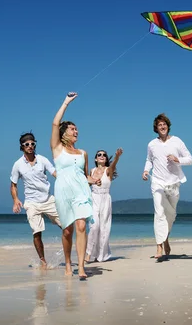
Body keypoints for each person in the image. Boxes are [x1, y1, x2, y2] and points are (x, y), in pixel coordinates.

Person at [50, 91, 100, 280]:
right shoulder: (57, 148)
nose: (76, 131)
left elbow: (85, 176)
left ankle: (80, 267)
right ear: (64, 133)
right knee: (67, 230)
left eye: (76, 129)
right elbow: (55, 123)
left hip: (81, 192)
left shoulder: (83, 152)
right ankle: (68, 263)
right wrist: (66, 102)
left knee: (81, 226)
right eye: (72, 129)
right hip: (63, 193)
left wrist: (93, 180)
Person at [142, 113, 192, 261]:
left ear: (168, 126)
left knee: (170, 215)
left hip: (173, 183)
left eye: (164, 124)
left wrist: (177, 159)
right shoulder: (152, 144)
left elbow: (190, 159)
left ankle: (165, 239)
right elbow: (149, 160)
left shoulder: (177, 141)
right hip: (157, 181)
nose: (162, 127)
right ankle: (159, 245)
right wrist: (146, 170)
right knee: (159, 212)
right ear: (156, 128)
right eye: (159, 125)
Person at [10, 132, 62, 269]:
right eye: (27, 144)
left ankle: (68, 255)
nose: (30, 146)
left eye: (33, 144)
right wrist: (16, 200)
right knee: (36, 232)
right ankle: (43, 261)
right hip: (32, 203)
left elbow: (55, 173)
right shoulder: (18, 164)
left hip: (48, 200)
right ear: (22, 147)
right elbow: (13, 185)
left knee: (66, 225)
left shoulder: (43, 160)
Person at [85, 148, 123, 263]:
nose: (101, 156)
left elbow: (113, 166)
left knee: (104, 228)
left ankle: (100, 255)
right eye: (99, 154)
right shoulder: (91, 171)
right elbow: (86, 179)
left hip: (105, 200)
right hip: (93, 198)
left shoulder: (108, 170)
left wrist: (117, 157)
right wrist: (92, 181)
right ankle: (88, 253)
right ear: (96, 158)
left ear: (106, 159)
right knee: (94, 226)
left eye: (104, 155)